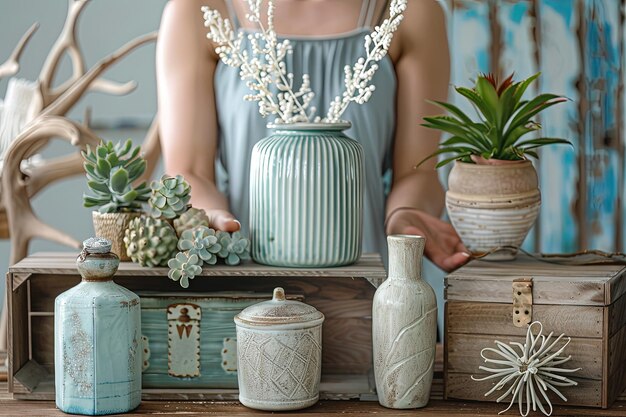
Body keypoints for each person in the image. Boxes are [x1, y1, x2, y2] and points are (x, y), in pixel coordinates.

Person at [156, 0, 470, 272]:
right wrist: (212, 219)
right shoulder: (197, 12)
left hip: (369, 276)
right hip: (247, 275)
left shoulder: (411, 11)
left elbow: (418, 172)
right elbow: (190, 171)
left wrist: (407, 216)